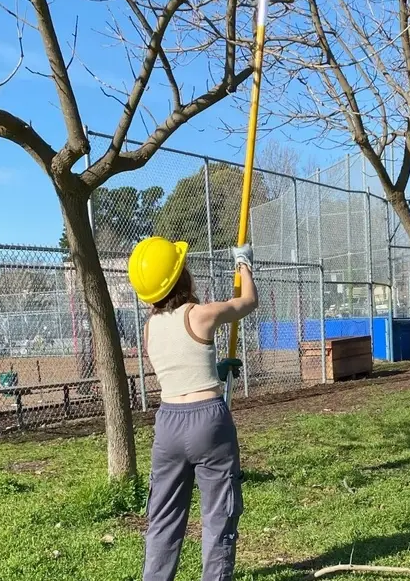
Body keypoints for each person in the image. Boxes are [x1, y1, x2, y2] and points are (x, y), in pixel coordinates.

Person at [128, 236, 258, 581]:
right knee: (219, 516)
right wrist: (244, 263)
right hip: (208, 423)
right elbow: (248, 301)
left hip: (168, 425)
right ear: (181, 276)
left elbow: (179, 368)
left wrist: (214, 370)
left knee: (163, 518)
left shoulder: (149, 328)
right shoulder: (201, 314)